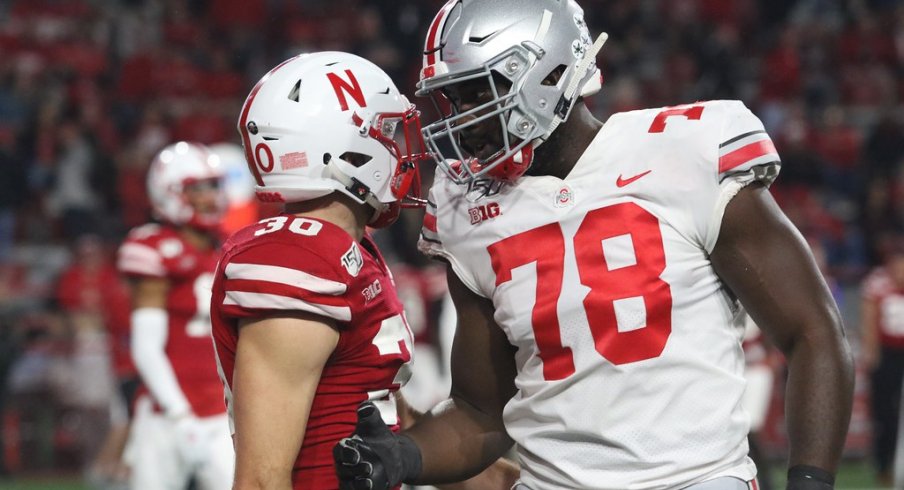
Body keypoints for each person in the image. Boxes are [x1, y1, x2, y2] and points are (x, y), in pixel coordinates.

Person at [333, 1, 854, 489]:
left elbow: (813, 333)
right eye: (453, 98)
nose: (462, 117)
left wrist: (810, 481)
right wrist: (403, 456)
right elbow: (480, 411)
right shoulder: (464, 209)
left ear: (546, 74)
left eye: (477, 92)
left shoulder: (683, 151)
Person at [116, 141, 234, 489]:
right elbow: (146, 347)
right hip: (165, 415)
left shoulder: (229, 248)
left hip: (220, 411)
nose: (211, 197)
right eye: (198, 188)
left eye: (214, 186)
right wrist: (179, 415)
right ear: (169, 192)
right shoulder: (152, 248)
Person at [861, 236, 904, 486]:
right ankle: (883, 464)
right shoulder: (877, 283)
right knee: (885, 412)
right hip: (887, 353)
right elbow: (869, 319)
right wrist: (872, 354)